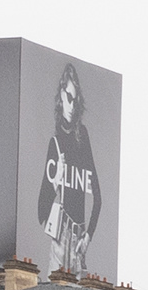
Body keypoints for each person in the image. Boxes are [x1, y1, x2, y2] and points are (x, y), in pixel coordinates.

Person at [37, 62, 101, 278]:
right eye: (68, 98)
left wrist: (88, 237)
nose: (72, 105)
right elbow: (41, 208)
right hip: (61, 234)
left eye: (76, 99)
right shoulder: (54, 142)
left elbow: (98, 197)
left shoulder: (82, 136)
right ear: (61, 97)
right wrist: (56, 180)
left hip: (79, 238)